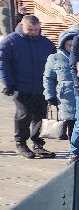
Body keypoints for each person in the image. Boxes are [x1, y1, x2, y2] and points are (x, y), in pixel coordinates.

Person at [1, 14, 58, 158]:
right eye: (30, 29)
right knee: (24, 115)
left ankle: (38, 143)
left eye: (36, 30)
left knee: (40, 115)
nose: (33, 32)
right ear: (21, 26)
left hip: (41, 86)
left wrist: (54, 84)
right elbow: (3, 64)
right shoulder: (10, 41)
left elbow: (53, 64)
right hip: (20, 86)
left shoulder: (46, 43)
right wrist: (7, 83)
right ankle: (21, 142)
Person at [44, 28, 79, 146]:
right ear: (63, 44)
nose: (72, 48)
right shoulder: (55, 58)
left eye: (74, 45)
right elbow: (49, 78)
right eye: (69, 45)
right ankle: (74, 149)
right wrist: (50, 95)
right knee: (72, 124)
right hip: (66, 97)